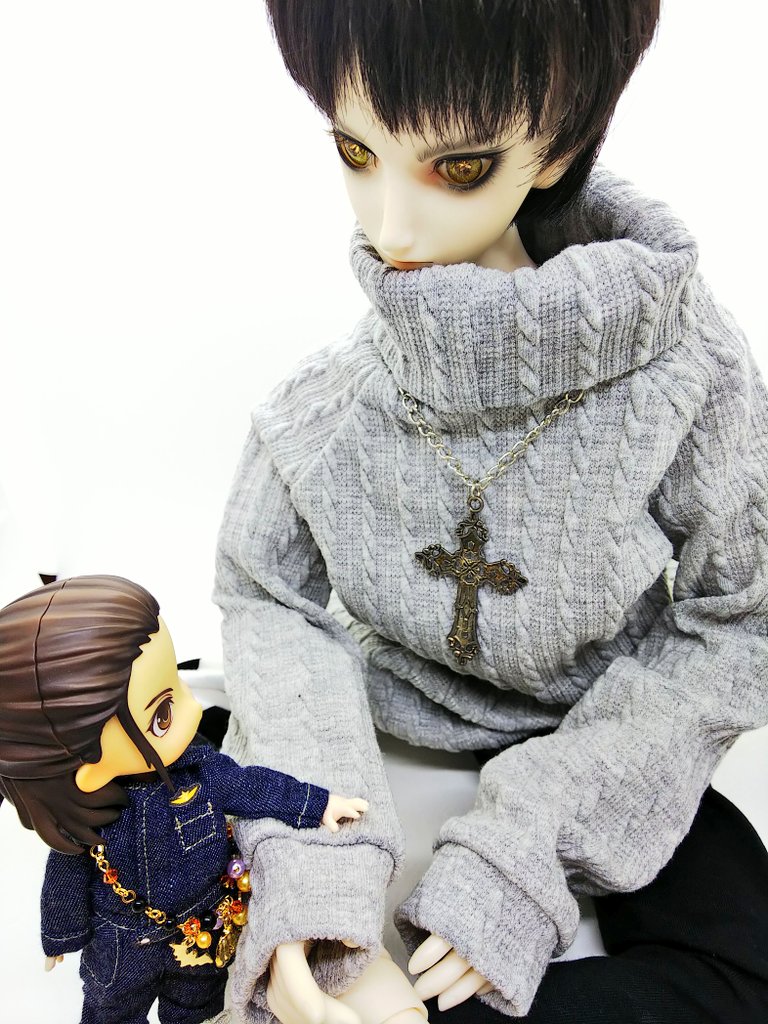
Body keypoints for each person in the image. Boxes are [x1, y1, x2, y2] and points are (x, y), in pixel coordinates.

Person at [213, 2, 768, 1021]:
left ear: (557, 145)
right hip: (384, 743)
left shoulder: (689, 373)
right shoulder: (330, 406)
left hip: (603, 735)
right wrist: (324, 890)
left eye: (459, 166)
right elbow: (262, 596)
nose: (390, 227)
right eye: (355, 150)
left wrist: (526, 849)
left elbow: (743, 615)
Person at [0, 575, 371, 1024]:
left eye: (176, 681)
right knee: (111, 1012)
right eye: (162, 714)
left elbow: (251, 787)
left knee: (196, 1008)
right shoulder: (88, 818)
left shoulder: (200, 769)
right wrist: (61, 935)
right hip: (121, 946)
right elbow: (65, 871)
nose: (193, 707)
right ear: (87, 767)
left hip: (204, 933)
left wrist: (315, 803)